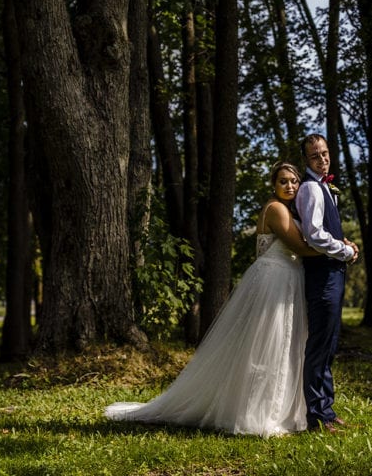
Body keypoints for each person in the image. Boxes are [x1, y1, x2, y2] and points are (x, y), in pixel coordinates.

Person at [105, 162, 320, 437]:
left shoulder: (290, 209)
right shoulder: (276, 209)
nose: (290, 186)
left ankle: (280, 409)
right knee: (268, 344)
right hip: (274, 281)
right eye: (283, 181)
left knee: (284, 345)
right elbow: (300, 246)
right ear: (274, 185)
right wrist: (339, 250)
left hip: (288, 279)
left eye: (294, 181)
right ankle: (258, 413)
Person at [296, 133, 359, 433]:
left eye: (324, 153)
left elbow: (327, 232)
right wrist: (344, 251)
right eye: (315, 156)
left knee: (330, 344)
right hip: (322, 277)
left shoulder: (326, 188)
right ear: (306, 160)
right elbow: (314, 235)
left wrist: (344, 243)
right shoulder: (310, 189)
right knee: (319, 346)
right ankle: (316, 417)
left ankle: (328, 410)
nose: (322, 159)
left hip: (334, 273)